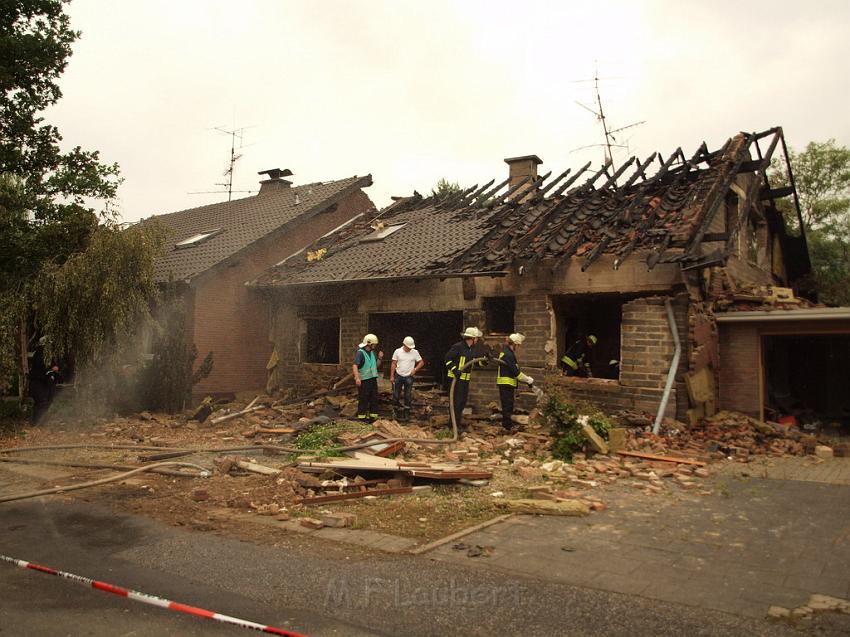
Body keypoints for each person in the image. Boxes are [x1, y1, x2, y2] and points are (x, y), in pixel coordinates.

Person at [444, 327, 484, 432]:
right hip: (455, 380)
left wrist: (485, 361)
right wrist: (455, 370)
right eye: (477, 338)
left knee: (461, 403)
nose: (478, 340)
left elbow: (475, 362)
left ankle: (455, 424)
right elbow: (447, 359)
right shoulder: (458, 347)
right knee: (456, 403)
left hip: (465, 381)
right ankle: (454, 426)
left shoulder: (471, 349)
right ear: (472, 338)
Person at [496, 333, 534, 431]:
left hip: (506, 384)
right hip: (506, 384)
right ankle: (507, 426)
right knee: (507, 406)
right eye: (518, 345)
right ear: (515, 344)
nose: (519, 347)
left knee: (508, 405)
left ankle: (507, 425)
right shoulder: (508, 354)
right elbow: (516, 373)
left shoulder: (507, 352)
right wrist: (528, 380)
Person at [390, 336, 425, 422]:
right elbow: (394, 364)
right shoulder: (397, 351)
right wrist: (392, 376)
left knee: (407, 395)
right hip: (399, 375)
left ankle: (407, 412)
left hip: (409, 376)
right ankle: (396, 411)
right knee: (396, 394)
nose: (410, 349)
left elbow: (421, 362)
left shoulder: (415, 352)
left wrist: (415, 369)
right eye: (409, 347)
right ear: (404, 345)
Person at [28, 336, 60, 425]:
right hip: (39, 382)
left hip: (46, 381)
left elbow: (52, 367)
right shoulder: (39, 353)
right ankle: (37, 422)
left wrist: (54, 372)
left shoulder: (48, 354)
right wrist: (51, 370)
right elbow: (42, 368)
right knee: (42, 401)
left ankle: (41, 421)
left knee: (47, 401)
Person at [352, 333, 383, 422]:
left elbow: (375, 366)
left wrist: (380, 359)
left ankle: (373, 417)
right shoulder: (360, 353)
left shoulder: (373, 353)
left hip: (373, 379)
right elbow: (355, 366)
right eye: (374, 344)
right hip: (364, 380)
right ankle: (362, 418)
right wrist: (357, 378)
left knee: (374, 398)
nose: (375, 346)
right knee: (363, 399)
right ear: (369, 343)